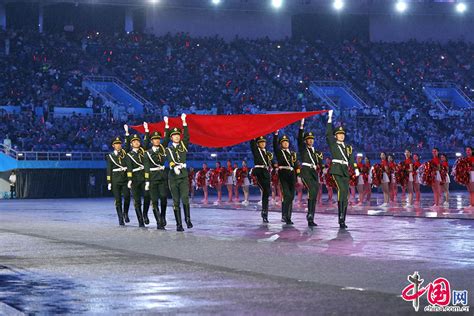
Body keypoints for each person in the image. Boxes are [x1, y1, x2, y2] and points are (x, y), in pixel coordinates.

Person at [326, 110, 359, 229]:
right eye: (339, 134)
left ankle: (343, 218)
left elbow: (351, 161)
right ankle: (340, 217)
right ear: (336, 136)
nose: (341, 135)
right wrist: (329, 118)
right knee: (342, 190)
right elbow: (328, 134)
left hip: (345, 170)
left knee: (346, 193)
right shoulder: (333, 144)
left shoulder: (348, 147)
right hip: (336, 169)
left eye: (343, 134)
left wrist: (355, 170)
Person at [165, 114, 192, 232]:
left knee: (185, 198)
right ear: (171, 138)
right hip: (173, 177)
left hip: (183, 175)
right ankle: (178, 224)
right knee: (176, 201)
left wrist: (184, 122)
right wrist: (173, 166)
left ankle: (187, 219)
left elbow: (187, 136)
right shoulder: (168, 149)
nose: (176, 137)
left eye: (177, 135)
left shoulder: (183, 146)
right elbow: (170, 160)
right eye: (174, 136)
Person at [299, 118, 324, 227]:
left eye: (312, 139)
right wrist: (302, 125)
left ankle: (311, 216)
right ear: (305, 141)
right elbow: (299, 139)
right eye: (308, 139)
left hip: (314, 172)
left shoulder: (317, 152)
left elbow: (320, 163)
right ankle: (309, 215)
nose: (310, 140)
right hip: (305, 171)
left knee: (314, 193)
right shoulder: (303, 149)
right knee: (312, 190)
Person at [144, 125, 169, 230]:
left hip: (162, 177)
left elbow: (167, 139)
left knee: (164, 198)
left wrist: (167, 126)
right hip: (152, 178)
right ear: (151, 141)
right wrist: (147, 181)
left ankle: (162, 215)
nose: (157, 140)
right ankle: (159, 221)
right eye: (155, 139)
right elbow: (146, 168)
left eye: (158, 139)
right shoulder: (147, 153)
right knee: (154, 201)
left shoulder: (162, 150)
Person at [125, 123, 150, 227]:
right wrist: (130, 179)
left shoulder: (143, 151)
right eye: (134, 141)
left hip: (144, 177)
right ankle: (140, 220)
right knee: (137, 200)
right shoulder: (129, 155)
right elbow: (129, 168)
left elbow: (147, 140)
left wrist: (146, 130)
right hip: (135, 179)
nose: (136, 142)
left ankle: (145, 214)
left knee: (148, 197)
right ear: (131, 144)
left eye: (137, 141)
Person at [273, 130, 297, 225]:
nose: (286, 143)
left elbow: (296, 165)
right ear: (281, 144)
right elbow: (274, 146)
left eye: (287, 142)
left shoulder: (292, 153)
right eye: (283, 142)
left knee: (291, 196)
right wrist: (275, 134)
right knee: (287, 194)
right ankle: (284, 216)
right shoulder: (279, 152)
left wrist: (298, 176)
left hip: (291, 174)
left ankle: (288, 216)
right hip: (283, 174)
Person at [106, 137, 130, 226]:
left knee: (127, 196)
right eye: (116, 144)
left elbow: (127, 146)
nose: (118, 145)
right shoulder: (110, 156)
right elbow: (109, 169)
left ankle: (125, 213)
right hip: (115, 180)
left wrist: (127, 134)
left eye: (119, 144)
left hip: (124, 178)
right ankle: (120, 218)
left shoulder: (124, 153)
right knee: (118, 200)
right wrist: (109, 182)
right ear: (113, 146)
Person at [250, 135, 273, 223]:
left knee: (267, 192)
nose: (263, 144)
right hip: (258, 172)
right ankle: (264, 212)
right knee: (265, 191)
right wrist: (254, 134)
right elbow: (252, 144)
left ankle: (265, 213)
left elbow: (271, 161)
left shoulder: (267, 153)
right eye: (261, 142)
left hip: (266, 172)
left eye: (264, 142)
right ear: (258, 144)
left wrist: (274, 164)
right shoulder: (256, 150)